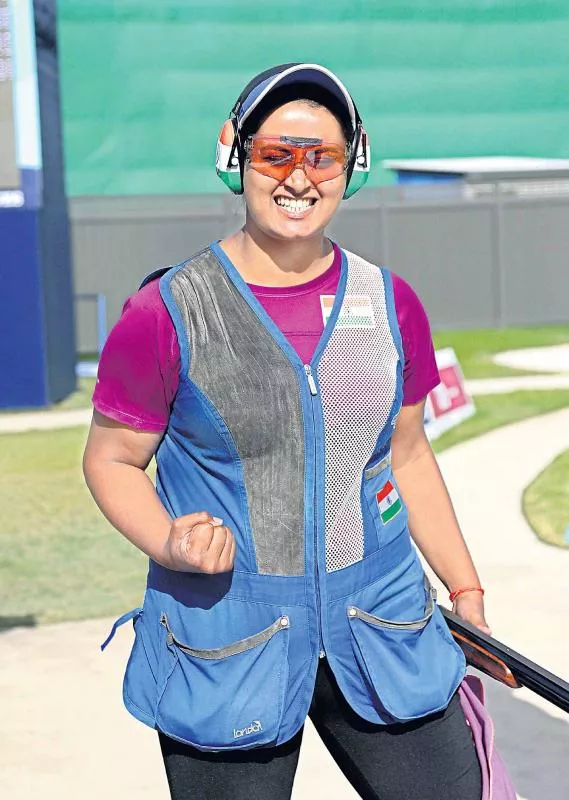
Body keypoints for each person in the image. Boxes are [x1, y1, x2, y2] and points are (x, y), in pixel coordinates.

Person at [84, 63, 492, 800]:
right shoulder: (165, 312)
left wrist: (464, 588)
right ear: (234, 158)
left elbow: (405, 453)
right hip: (228, 643)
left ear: (351, 165)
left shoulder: (391, 303)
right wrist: (167, 539)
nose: (298, 177)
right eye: (276, 154)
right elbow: (112, 460)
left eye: (321, 157)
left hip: (383, 627)